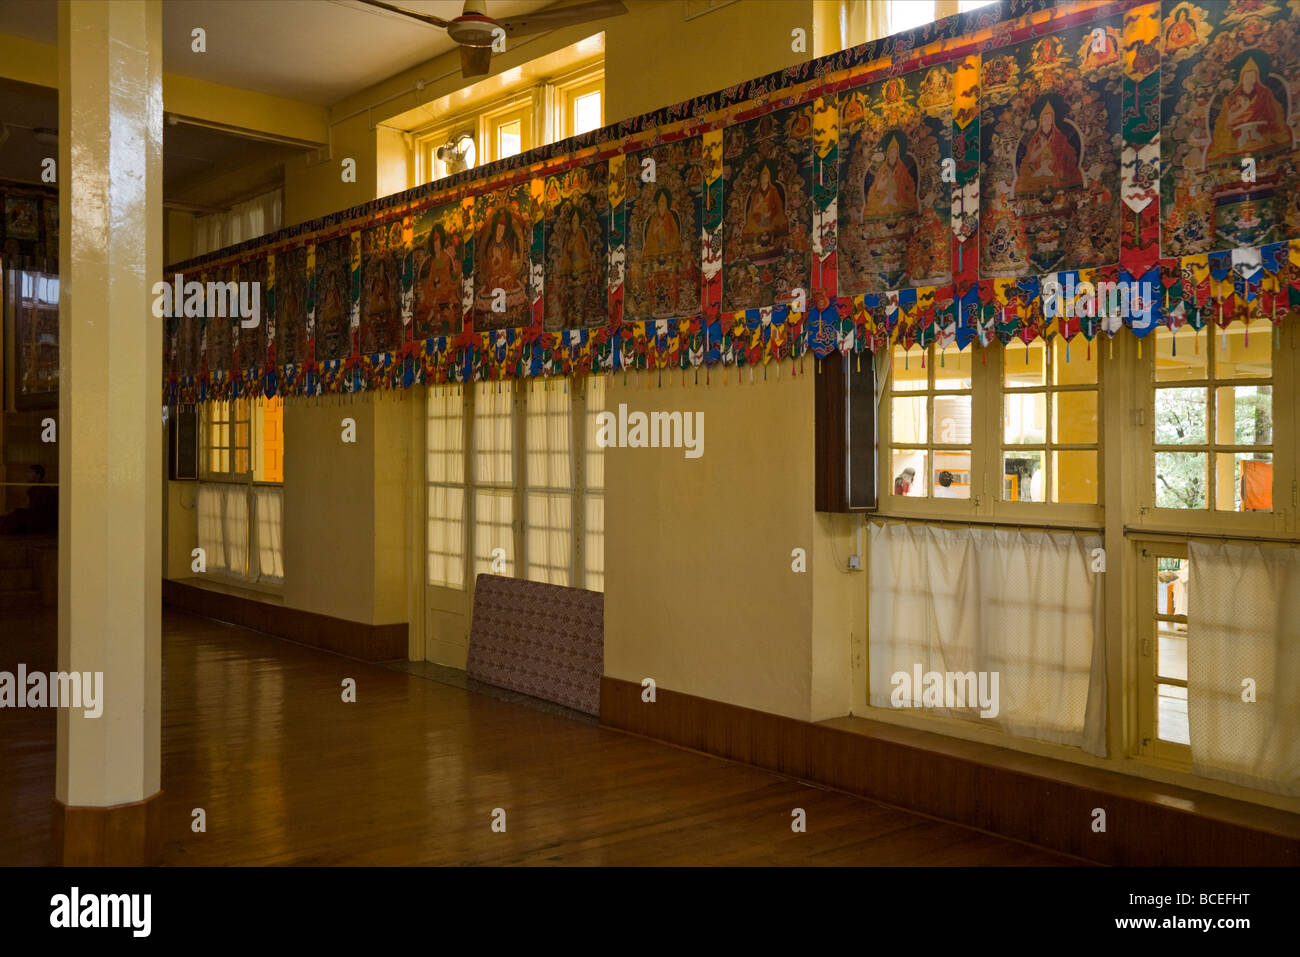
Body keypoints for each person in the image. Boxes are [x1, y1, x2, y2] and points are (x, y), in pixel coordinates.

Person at [0, 464, 55, 535]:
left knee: (15, 515)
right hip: (33, 516)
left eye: (30, 472)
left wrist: (16, 510)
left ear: (38, 475)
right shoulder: (33, 489)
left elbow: (37, 510)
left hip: (39, 520)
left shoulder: (44, 489)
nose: (27, 475)